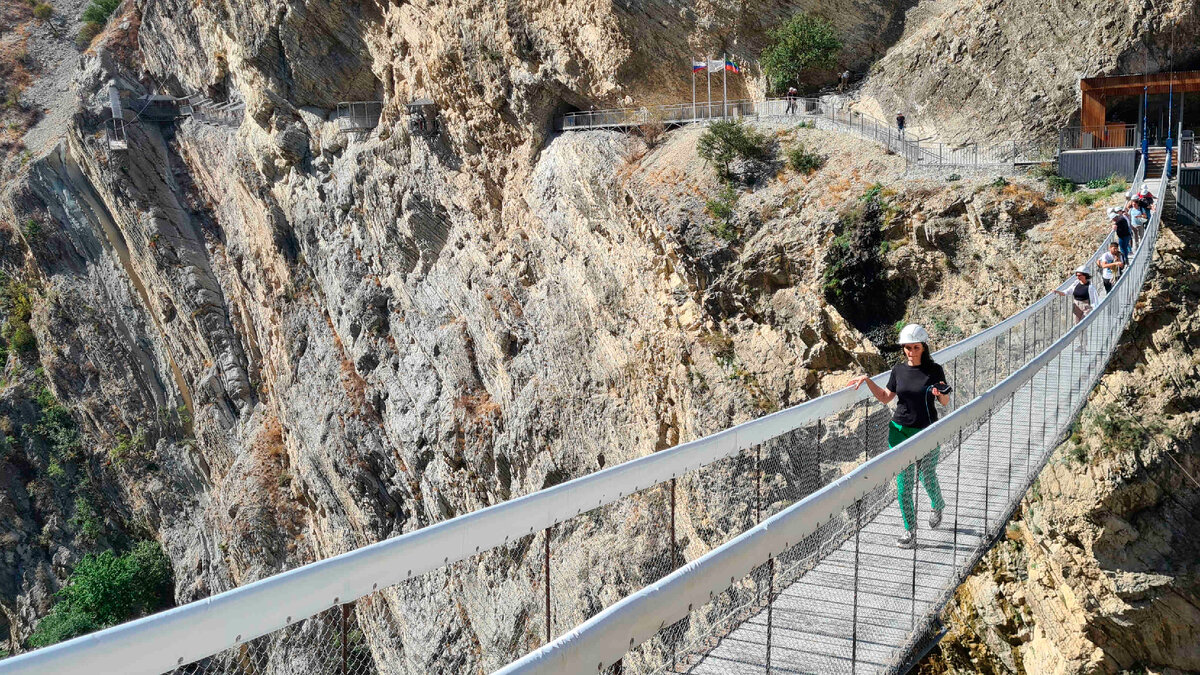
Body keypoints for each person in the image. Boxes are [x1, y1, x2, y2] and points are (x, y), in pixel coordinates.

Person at [846, 324, 949, 549]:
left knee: (927, 474)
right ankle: (909, 531)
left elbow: (945, 402)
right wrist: (866, 379)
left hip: (927, 431)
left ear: (924, 347)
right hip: (899, 431)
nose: (911, 351)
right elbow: (885, 397)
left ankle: (937, 504)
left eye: (916, 347)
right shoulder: (898, 371)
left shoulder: (935, 371)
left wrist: (939, 394)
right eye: (907, 347)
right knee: (903, 486)